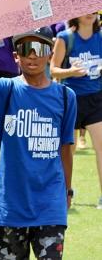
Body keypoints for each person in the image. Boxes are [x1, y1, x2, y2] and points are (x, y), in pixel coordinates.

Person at [0, 27, 76, 260]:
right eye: (25, 48)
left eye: (40, 48)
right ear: (15, 56)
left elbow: (65, 149)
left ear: (50, 53)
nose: (32, 55)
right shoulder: (4, 89)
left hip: (50, 205)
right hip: (9, 206)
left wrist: (67, 191)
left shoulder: (66, 97)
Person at [50, 13, 102, 209]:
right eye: (85, 10)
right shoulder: (65, 37)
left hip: (96, 99)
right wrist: (71, 71)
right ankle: (65, 194)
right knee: (66, 150)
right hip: (69, 98)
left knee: (101, 147)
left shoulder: (100, 37)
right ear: (76, 14)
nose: (90, 14)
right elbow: (53, 70)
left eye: (94, 10)